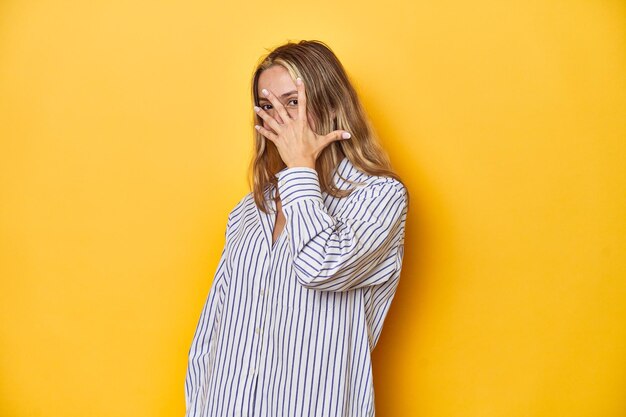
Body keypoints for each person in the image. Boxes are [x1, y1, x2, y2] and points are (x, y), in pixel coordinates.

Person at [184, 39, 410, 417]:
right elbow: (211, 334)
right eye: (268, 107)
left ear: (331, 103)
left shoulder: (381, 196)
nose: (280, 120)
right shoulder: (248, 210)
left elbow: (320, 267)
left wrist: (301, 170)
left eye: (293, 102)